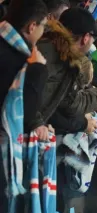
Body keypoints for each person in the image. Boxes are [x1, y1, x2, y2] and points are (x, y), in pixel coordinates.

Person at [37, 8, 97, 135]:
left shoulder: (43, 40)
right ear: (85, 38)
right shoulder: (63, 63)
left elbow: (69, 102)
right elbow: (68, 106)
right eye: (93, 37)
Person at [0, 0, 49, 141]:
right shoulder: (22, 61)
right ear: (32, 26)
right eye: (43, 26)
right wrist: (38, 70)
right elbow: (25, 115)